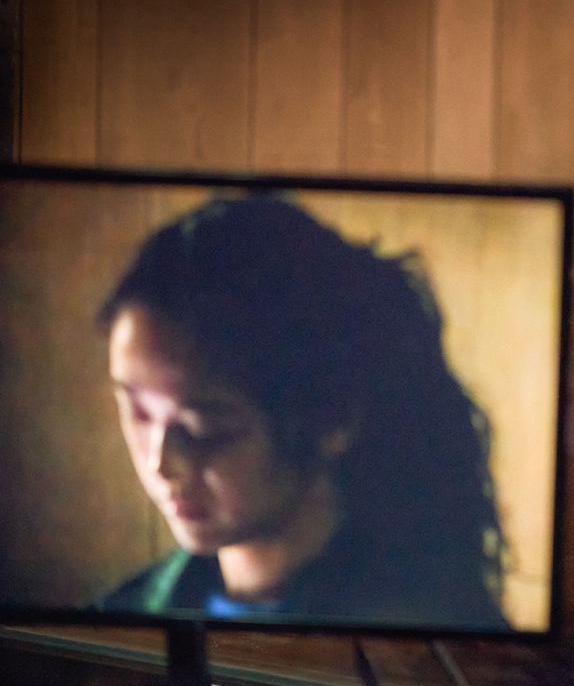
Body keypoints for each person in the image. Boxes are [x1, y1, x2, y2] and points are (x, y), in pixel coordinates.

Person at [95, 193, 509, 629]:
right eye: (138, 412)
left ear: (333, 418)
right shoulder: (121, 617)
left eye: (206, 428)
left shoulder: (431, 630)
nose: (161, 464)